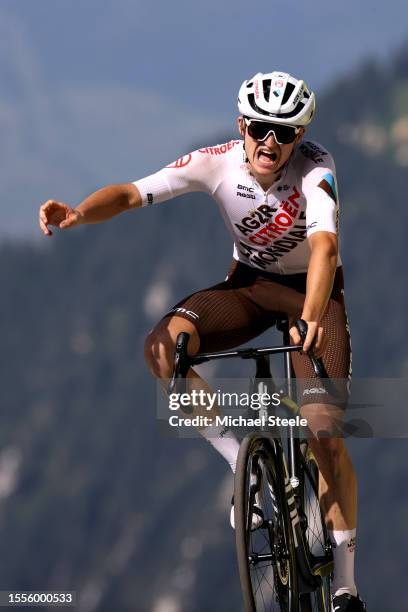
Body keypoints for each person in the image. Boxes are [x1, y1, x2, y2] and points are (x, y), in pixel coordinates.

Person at [39, 71, 366, 611]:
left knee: (326, 435)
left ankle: (348, 582)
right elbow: (129, 193)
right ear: (242, 125)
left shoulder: (317, 168)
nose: (269, 143)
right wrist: (77, 213)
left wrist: (309, 320)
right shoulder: (216, 161)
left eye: (284, 133)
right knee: (161, 349)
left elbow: (325, 250)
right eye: (259, 128)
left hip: (314, 294)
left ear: (300, 136)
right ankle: (239, 463)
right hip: (248, 287)